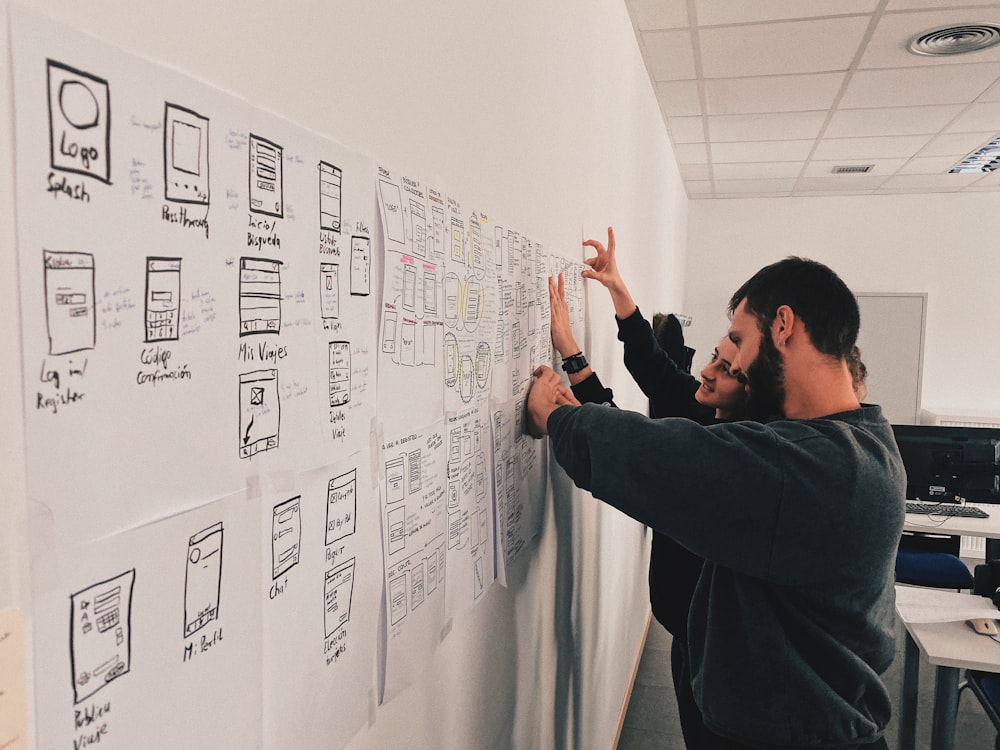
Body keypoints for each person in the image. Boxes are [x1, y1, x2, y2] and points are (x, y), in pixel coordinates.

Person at [530, 249, 905, 750]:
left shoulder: (811, 466)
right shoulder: (859, 441)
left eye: (738, 339)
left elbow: (659, 458)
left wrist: (557, 419)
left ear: (783, 327)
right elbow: (664, 407)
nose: (729, 364)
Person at [548, 230, 747, 749]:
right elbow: (654, 370)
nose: (705, 368)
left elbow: (621, 441)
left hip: (714, 649)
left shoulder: (719, 455)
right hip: (687, 628)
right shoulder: (707, 405)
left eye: (725, 366)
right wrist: (615, 295)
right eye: (715, 355)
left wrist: (561, 402)